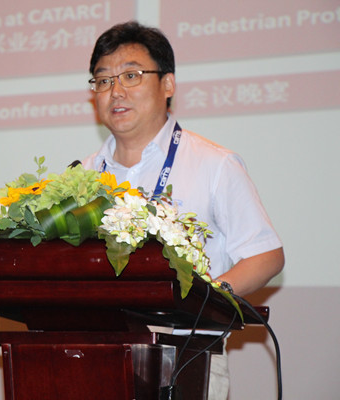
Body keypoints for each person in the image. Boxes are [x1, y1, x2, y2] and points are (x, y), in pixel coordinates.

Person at [82, 21, 285, 399]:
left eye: (131, 76)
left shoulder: (213, 164)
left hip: (189, 359)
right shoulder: (82, 177)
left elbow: (266, 255)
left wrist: (204, 298)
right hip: (95, 361)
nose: (115, 91)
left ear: (168, 84)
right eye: (103, 80)